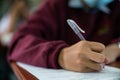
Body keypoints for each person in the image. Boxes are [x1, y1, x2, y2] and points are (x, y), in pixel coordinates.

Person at [7, 0, 120, 72]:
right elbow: (18, 42)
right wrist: (60, 56)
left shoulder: (115, 6)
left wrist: (117, 47)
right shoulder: (54, 7)